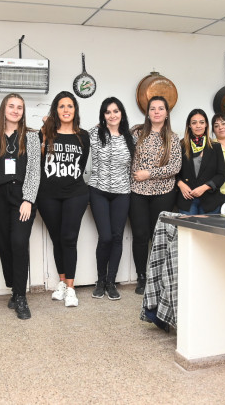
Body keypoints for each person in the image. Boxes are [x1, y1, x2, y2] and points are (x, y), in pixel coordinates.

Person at [0, 93, 40, 320]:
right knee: (4, 244)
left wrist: (28, 199)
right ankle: (13, 288)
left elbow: (34, 170)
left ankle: (21, 296)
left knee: (18, 242)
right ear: (3, 109)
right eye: (11, 106)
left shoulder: (32, 137)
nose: (16, 111)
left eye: (19, 107)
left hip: (22, 196)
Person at [38, 91, 90, 307]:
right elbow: (39, 163)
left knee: (69, 238)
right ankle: (61, 281)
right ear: (55, 110)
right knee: (57, 238)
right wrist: (44, 131)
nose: (66, 110)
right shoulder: (45, 134)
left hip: (75, 193)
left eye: (70, 106)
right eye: (61, 106)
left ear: (75, 110)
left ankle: (71, 288)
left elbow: (81, 164)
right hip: (48, 194)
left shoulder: (83, 136)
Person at [129, 96, 181, 295]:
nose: (157, 112)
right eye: (153, 108)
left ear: (167, 113)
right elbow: (116, 136)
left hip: (164, 193)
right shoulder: (137, 133)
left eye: (161, 108)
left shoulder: (172, 138)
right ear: (148, 112)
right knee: (140, 236)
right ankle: (141, 277)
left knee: (157, 236)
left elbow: (175, 166)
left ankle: (156, 277)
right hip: (138, 192)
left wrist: (149, 174)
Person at [88, 97, 135, 301]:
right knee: (105, 237)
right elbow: (74, 135)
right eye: (108, 112)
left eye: (116, 111)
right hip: (98, 190)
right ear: (103, 115)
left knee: (117, 237)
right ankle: (100, 280)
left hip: (122, 193)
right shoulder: (95, 134)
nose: (112, 115)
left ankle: (111, 282)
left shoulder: (129, 138)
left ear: (121, 114)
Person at [176, 108, 225, 215]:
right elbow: (173, 171)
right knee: (188, 232)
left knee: (208, 232)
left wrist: (204, 187)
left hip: (210, 201)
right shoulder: (180, 146)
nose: (198, 126)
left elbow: (222, 175)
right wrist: (180, 184)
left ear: (206, 125)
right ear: (189, 125)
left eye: (201, 122)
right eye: (194, 123)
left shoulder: (216, 147)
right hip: (187, 199)